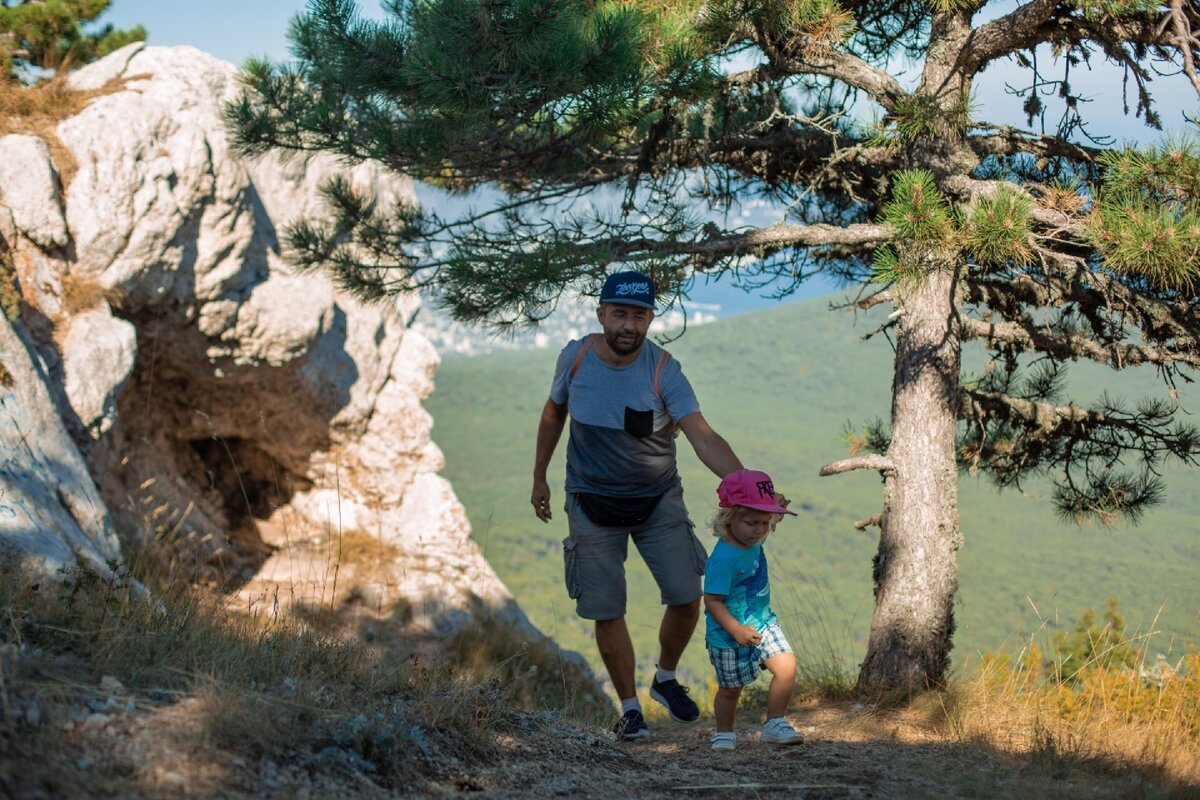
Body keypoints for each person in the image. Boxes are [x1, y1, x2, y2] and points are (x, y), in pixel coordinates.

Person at [531, 270, 743, 741]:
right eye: (620, 314)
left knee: (687, 595)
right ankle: (629, 710)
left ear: (650, 318)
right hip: (590, 501)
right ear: (601, 313)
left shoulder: (663, 368)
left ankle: (665, 678)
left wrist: (745, 484)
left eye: (640, 315)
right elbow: (553, 413)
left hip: (657, 499)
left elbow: (701, 435)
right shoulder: (577, 356)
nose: (629, 325)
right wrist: (539, 476)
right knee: (606, 608)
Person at [703, 468, 805, 750]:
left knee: (786, 665)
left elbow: (764, 519)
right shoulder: (724, 560)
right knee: (730, 690)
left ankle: (774, 723)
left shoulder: (752, 535)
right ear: (729, 517)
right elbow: (712, 601)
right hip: (727, 634)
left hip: (762, 623)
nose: (760, 530)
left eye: (766, 522)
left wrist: (776, 506)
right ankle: (724, 732)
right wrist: (735, 629)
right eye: (752, 523)